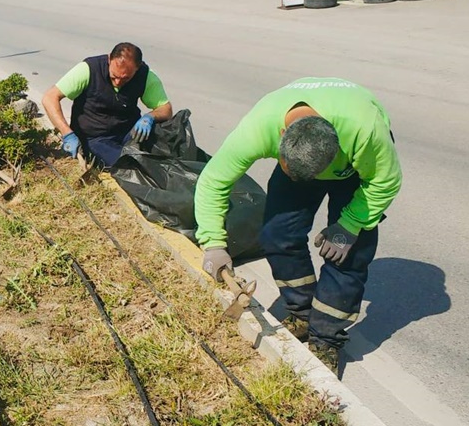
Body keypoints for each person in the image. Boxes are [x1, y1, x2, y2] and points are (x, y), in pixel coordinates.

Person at [194, 77, 402, 374]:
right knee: (277, 234)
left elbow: (385, 180)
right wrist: (213, 242)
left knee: (348, 254)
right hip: (305, 154)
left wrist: (350, 225)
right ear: (281, 137)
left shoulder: (364, 132)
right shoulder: (259, 127)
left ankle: (326, 338)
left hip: (352, 171)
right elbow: (214, 181)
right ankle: (302, 312)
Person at [41, 42, 173, 167]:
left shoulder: (145, 75)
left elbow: (166, 109)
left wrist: (150, 117)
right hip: (94, 138)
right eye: (114, 76)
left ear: (137, 69)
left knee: (165, 143)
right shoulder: (89, 69)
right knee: (127, 164)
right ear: (109, 59)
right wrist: (67, 134)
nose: (117, 82)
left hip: (128, 131)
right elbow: (50, 98)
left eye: (125, 78)